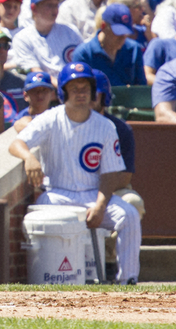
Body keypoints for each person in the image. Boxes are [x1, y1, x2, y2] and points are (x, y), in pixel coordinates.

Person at [9, 61, 142, 285]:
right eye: (74, 88)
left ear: (93, 92)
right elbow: (16, 144)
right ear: (63, 92)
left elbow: (110, 173)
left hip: (93, 194)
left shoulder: (106, 126)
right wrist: (29, 157)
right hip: (57, 194)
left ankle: (127, 279)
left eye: (85, 88)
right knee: (38, 218)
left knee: (128, 215)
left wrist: (100, 206)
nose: (80, 93)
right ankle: (46, 279)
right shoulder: (50, 118)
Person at [9, 0, 84, 78]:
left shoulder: (70, 31)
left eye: (56, 5)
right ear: (34, 8)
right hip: (45, 88)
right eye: (49, 5)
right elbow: (37, 72)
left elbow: (84, 62)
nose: (55, 10)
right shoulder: (22, 38)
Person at [72, 4, 147, 87]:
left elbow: (141, 88)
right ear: (104, 26)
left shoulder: (133, 50)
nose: (122, 37)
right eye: (118, 32)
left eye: (125, 33)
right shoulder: (85, 54)